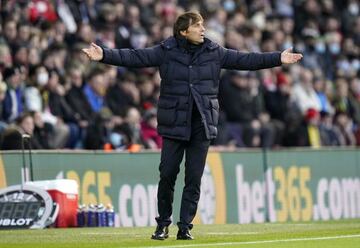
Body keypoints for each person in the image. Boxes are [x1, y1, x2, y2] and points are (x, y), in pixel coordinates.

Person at [82, 11, 302, 240]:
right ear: (184, 31)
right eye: (198, 26)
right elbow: (135, 57)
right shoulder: (165, 51)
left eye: (203, 25)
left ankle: (185, 225)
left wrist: (278, 58)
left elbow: (246, 60)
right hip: (175, 123)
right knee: (167, 174)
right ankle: (163, 223)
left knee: (193, 178)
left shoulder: (214, 51)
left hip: (202, 124)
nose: (203, 29)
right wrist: (104, 55)